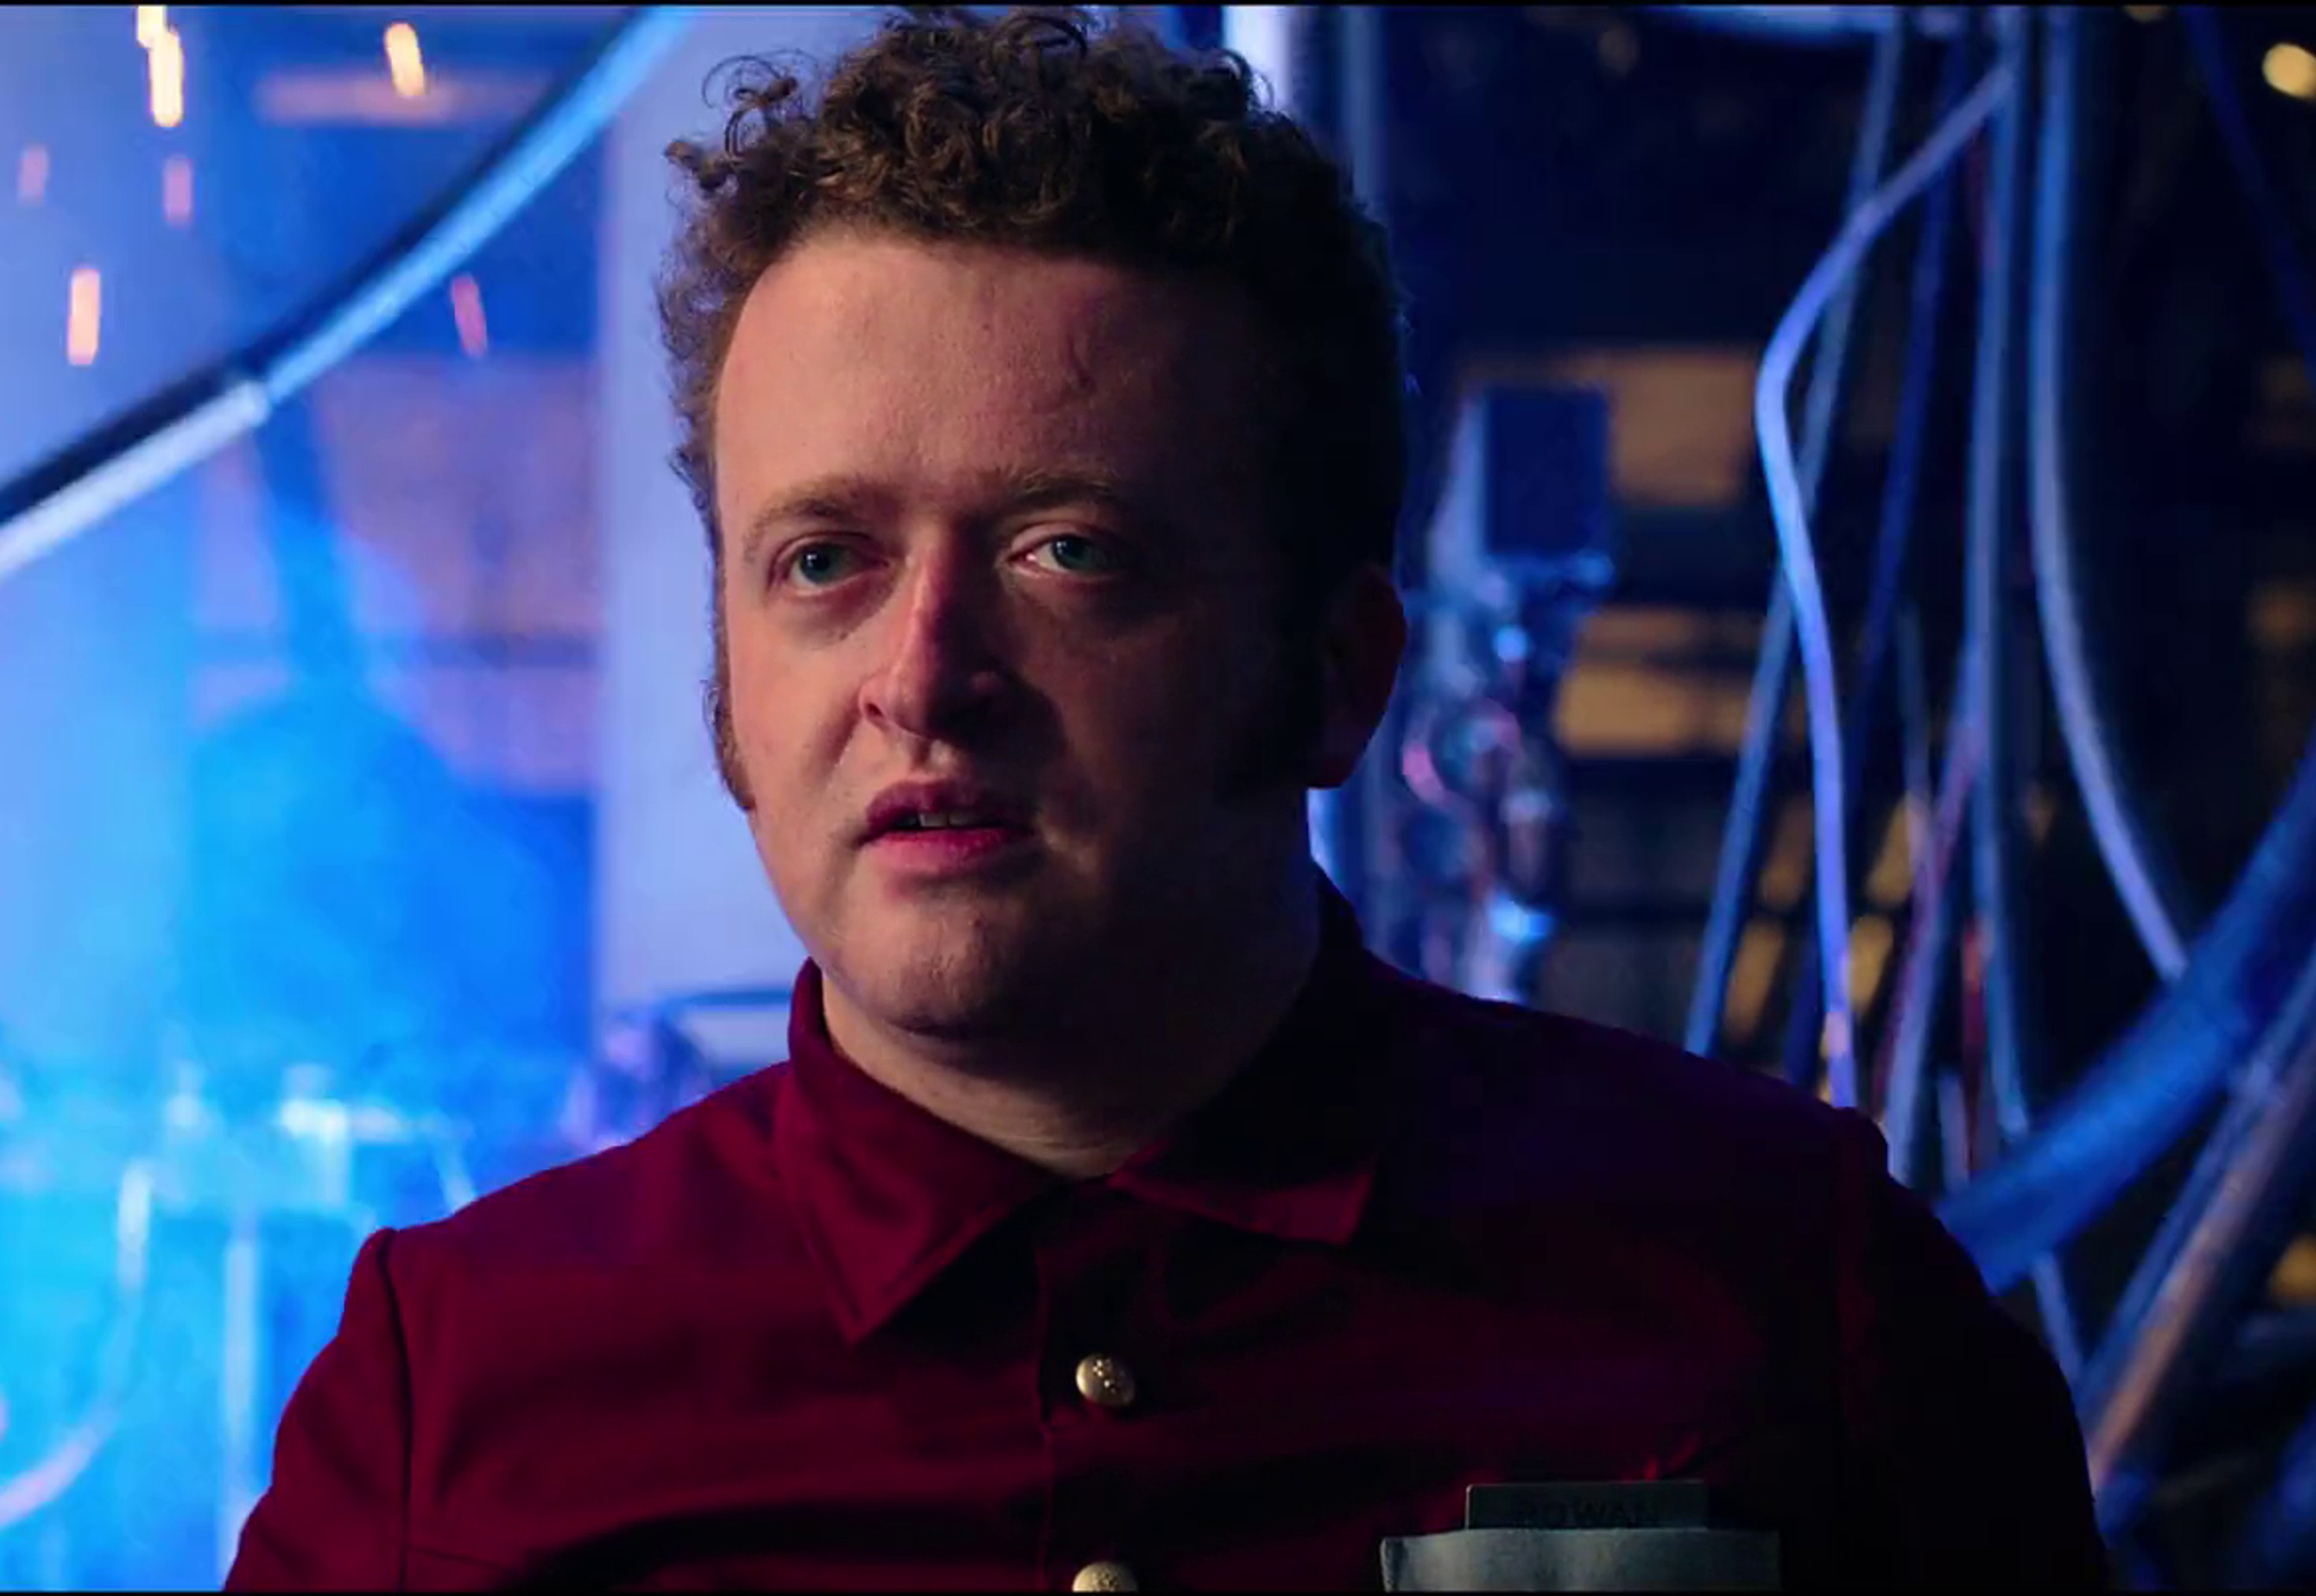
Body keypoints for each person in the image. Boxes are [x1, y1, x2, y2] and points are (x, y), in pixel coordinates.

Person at [227, 8, 2106, 1589]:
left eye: (1068, 551)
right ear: (729, 694)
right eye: (823, 562)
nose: (921, 676)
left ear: (1338, 673)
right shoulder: (457, 1399)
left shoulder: (1784, 1291)